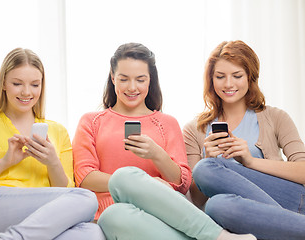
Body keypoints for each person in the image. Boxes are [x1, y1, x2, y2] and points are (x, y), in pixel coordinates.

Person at [73, 42, 256, 240]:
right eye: (124, 79)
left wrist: (157, 154)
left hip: (163, 216)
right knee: (113, 212)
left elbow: (181, 184)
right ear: (112, 77)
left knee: (125, 179)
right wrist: (141, 182)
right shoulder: (91, 121)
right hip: (114, 217)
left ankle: (217, 236)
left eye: (140, 80)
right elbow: (84, 178)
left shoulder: (166, 123)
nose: (132, 87)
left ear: (150, 80)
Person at [0, 48, 105, 240]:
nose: (26, 92)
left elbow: (66, 196)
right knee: (86, 198)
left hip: (39, 218)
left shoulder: (57, 131)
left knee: (91, 232)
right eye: (17, 83)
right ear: (4, 84)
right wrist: (3, 162)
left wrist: (52, 162)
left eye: (34, 85)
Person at [183, 40, 305, 240]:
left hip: (292, 202)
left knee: (206, 169)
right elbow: (195, 201)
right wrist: (208, 157)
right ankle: (288, 227)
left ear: (250, 77)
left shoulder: (275, 117)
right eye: (220, 76)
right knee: (215, 204)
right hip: (242, 215)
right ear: (211, 80)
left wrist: (250, 161)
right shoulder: (193, 130)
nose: (229, 84)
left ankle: (287, 224)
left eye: (237, 76)